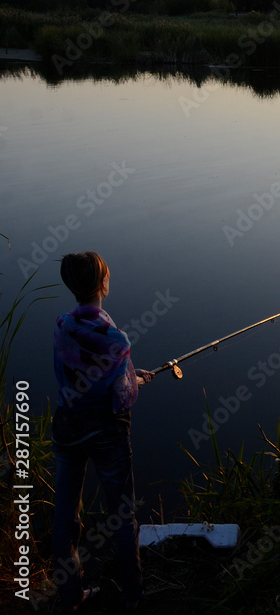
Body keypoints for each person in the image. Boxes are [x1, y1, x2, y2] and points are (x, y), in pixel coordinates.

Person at [52, 252, 152, 612]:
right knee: (122, 516)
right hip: (107, 432)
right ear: (103, 284)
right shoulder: (116, 338)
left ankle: (70, 596)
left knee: (65, 518)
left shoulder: (63, 325)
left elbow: (77, 376)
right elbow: (123, 394)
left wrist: (129, 373)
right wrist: (134, 378)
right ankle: (132, 596)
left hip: (68, 428)